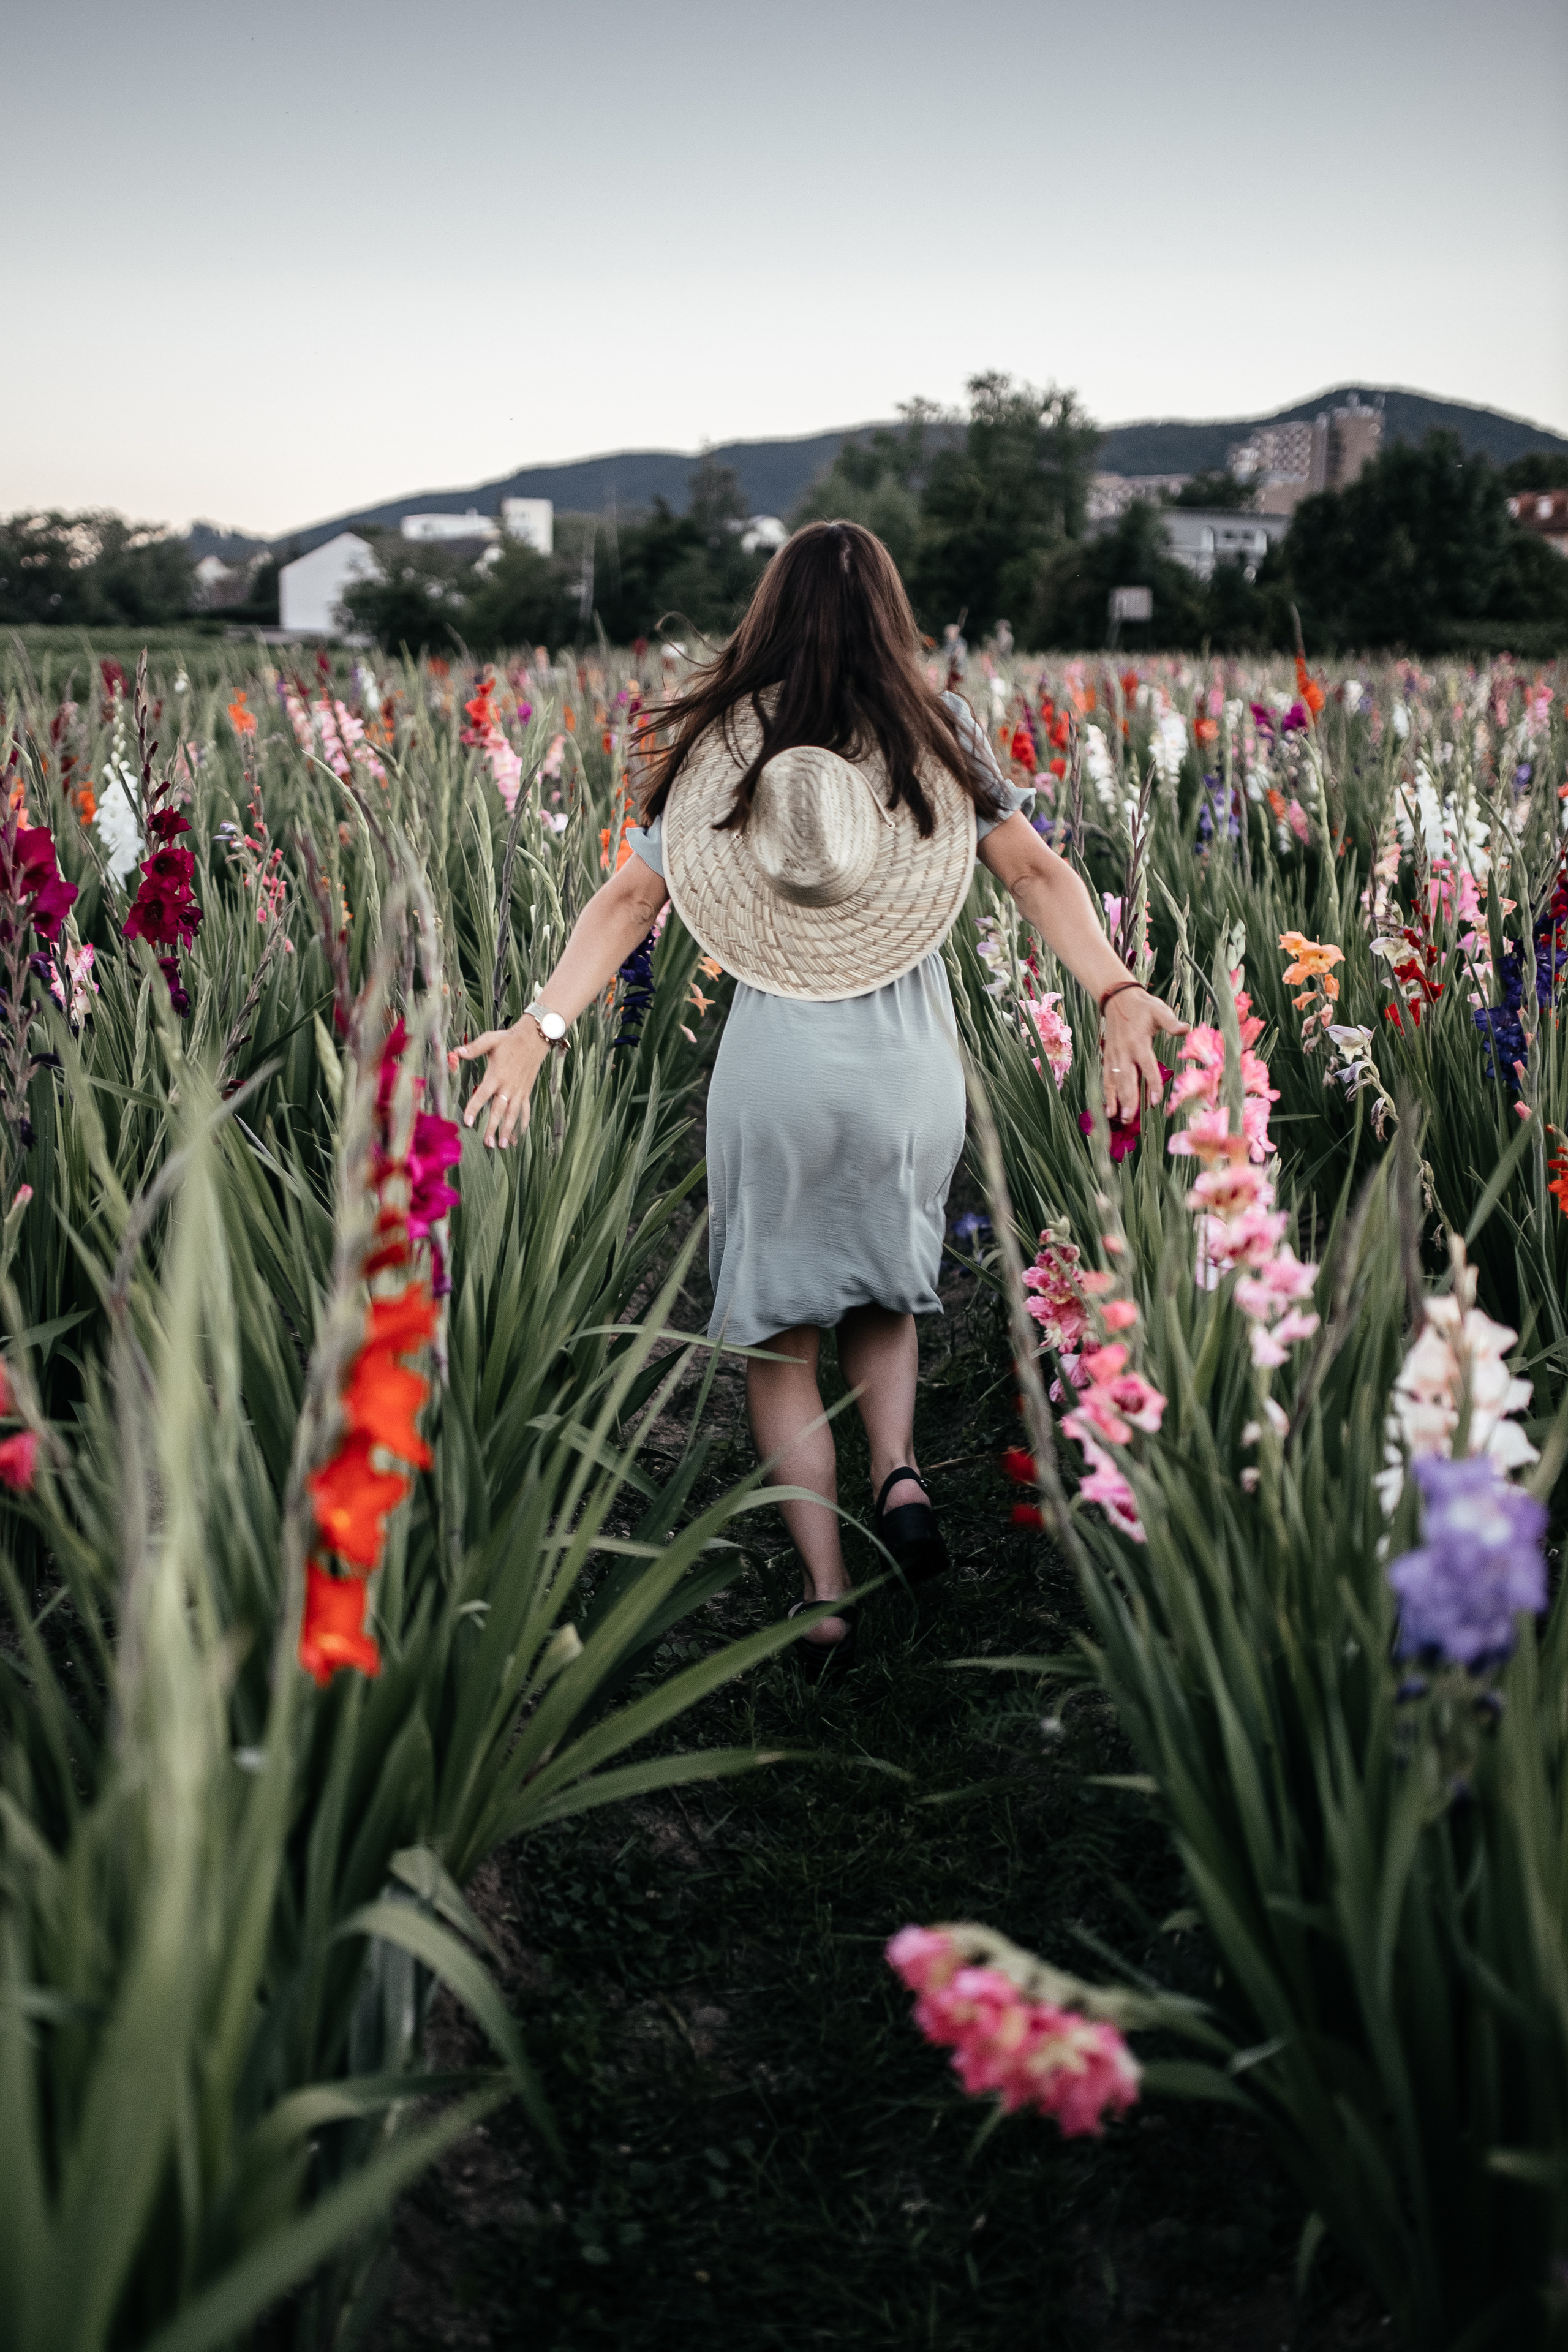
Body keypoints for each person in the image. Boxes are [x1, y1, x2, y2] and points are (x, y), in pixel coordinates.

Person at [456, 522, 1185, 1673]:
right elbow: (1040, 871)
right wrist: (1117, 989)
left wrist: (539, 1029)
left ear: (770, 612)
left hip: (776, 1070)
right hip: (908, 1070)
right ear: (890, 613)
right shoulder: (936, 730)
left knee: (781, 1335)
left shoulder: (722, 745)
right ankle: (898, 1472)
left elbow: (629, 900)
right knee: (887, 1290)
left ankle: (827, 1595)